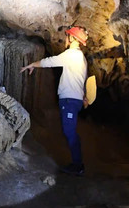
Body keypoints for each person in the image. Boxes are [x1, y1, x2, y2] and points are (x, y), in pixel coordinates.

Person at [20, 26, 90, 175]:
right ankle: (77, 163)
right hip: (74, 99)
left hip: (70, 100)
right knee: (69, 131)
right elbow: (82, 80)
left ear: (72, 39)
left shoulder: (72, 54)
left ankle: (78, 166)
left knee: (69, 131)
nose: (66, 38)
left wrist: (33, 64)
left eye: (67, 36)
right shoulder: (82, 59)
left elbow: (51, 61)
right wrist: (83, 96)